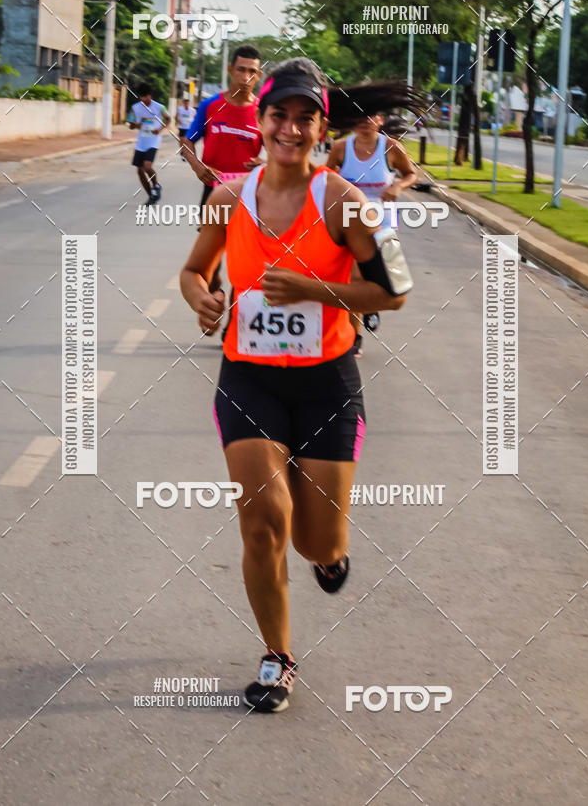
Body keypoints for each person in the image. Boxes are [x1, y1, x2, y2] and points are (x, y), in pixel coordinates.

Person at [180, 58, 416, 713]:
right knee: (261, 527)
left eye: (304, 118)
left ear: (320, 129)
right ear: (260, 121)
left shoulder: (348, 202)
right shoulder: (227, 200)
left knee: (317, 541)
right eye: (278, 115)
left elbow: (395, 291)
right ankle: (277, 658)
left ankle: (331, 557)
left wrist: (316, 289)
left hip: (326, 385)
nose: (289, 127)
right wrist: (202, 298)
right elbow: (194, 271)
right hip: (248, 379)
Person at [327, 108, 418, 355]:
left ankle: (370, 305)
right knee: (355, 279)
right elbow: (326, 176)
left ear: (380, 120)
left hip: (384, 225)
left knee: (386, 284)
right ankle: (355, 337)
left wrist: (398, 185)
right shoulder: (340, 148)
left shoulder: (390, 148)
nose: (364, 122)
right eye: (358, 117)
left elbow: (411, 174)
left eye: (370, 117)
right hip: (351, 224)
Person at [182, 44, 263, 292]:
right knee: (212, 264)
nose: (245, 76)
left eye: (252, 71)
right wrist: (197, 166)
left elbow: (280, 148)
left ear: (258, 76)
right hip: (214, 192)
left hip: (250, 195)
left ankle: (233, 324)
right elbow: (186, 141)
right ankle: (215, 288)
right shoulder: (210, 106)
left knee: (245, 264)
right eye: (241, 69)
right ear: (230, 70)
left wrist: (266, 164)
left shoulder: (263, 111)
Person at [129, 83, 170, 205]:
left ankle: (156, 186)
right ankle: (151, 196)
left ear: (150, 95)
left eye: (146, 97)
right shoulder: (135, 108)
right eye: (141, 97)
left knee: (147, 166)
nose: (144, 99)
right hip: (141, 142)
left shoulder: (159, 107)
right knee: (140, 171)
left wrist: (160, 129)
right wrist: (136, 125)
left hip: (153, 141)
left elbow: (168, 119)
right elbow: (130, 125)